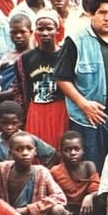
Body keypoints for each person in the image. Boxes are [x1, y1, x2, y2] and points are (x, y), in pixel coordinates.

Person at [55, 0, 108, 171]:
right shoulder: (76, 40)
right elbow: (61, 77)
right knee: (92, 168)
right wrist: (83, 104)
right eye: (102, 13)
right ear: (91, 14)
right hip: (88, 120)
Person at [15, 10, 68, 149]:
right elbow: (22, 88)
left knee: (59, 148)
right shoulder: (26, 58)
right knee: (36, 149)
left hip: (60, 110)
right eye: (41, 29)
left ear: (58, 30)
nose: (45, 33)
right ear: (35, 31)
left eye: (49, 29)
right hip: (36, 110)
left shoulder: (66, 55)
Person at [50, 131, 100, 215]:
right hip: (66, 214)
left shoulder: (88, 166)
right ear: (61, 152)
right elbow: (52, 195)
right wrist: (63, 208)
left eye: (77, 149)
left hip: (86, 211)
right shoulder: (55, 171)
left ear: (83, 150)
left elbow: (96, 187)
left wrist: (89, 196)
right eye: (67, 150)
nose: (72, 153)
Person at [0, 101, 56, 165]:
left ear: (21, 122)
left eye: (14, 123)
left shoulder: (29, 139)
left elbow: (53, 155)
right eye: (4, 123)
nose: (9, 127)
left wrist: (44, 171)